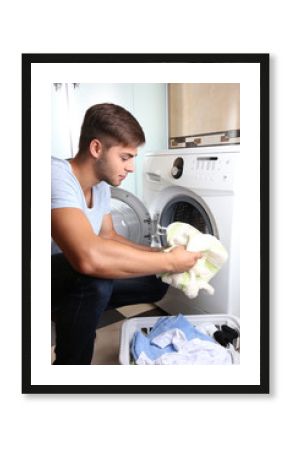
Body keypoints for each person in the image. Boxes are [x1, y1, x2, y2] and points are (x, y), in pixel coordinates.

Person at [51, 103, 201, 365]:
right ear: (96, 148)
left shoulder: (100, 187)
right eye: (125, 157)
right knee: (94, 281)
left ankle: (78, 315)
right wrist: (172, 261)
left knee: (156, 280)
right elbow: (87, 258)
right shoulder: (54, 175)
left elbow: (108, 236)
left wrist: (161, 254)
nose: (131, 167)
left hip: (69, 277)